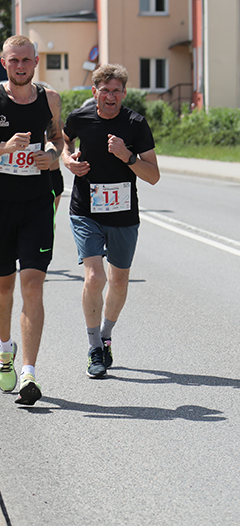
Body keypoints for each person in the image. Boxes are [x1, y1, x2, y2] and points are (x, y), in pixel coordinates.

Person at [62, 64, 160, 379]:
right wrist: (68, 160)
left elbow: (154, 176)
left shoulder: (135, 124)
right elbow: (64, 143)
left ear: (124, 94)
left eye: (117, 90)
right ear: (95, 93)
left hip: (123, 215)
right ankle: (93, 348)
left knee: (118, 281)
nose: (110, 96)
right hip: (85, 211)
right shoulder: (80, 118)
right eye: (105, 90)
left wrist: (127, 156)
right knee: (95, 278)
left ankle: (106, 336)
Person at [0, 35, 64, 405]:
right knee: (4, 287)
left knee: (33, 285)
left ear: (36, 61)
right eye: (14, 61)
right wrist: (6, 148)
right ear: (4, 63)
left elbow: (57, 138)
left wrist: (52, 155)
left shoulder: (49, 98)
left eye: (26, 60)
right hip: (1, 206)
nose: (20, 66)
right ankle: (5, 349)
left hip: (37, 203)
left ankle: (29, 374)